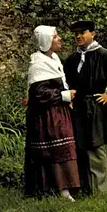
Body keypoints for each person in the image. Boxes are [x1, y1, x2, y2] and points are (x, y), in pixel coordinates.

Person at [64, 20, 107, 195]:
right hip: (77, 107)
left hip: (95, 106)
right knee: (80, 146)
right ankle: (85, 188)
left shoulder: (104, 55)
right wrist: (68, 96)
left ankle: (100, 190)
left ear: (92, 34)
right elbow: (65, 81)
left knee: (96, 146)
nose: (78, 36)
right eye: (76, 33)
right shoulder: (72, 59)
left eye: (82, 32)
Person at [24, 25, 79, 202]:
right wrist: (64, 95)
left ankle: (66, 186)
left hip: (58, 111)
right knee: (54, 149)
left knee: (64, 146)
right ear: (46, 41)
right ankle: (56, 188)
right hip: (46, 115)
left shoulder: (53, 58)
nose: (60, 39)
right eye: (56, 37)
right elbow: (38, 94)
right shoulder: (39, 63)